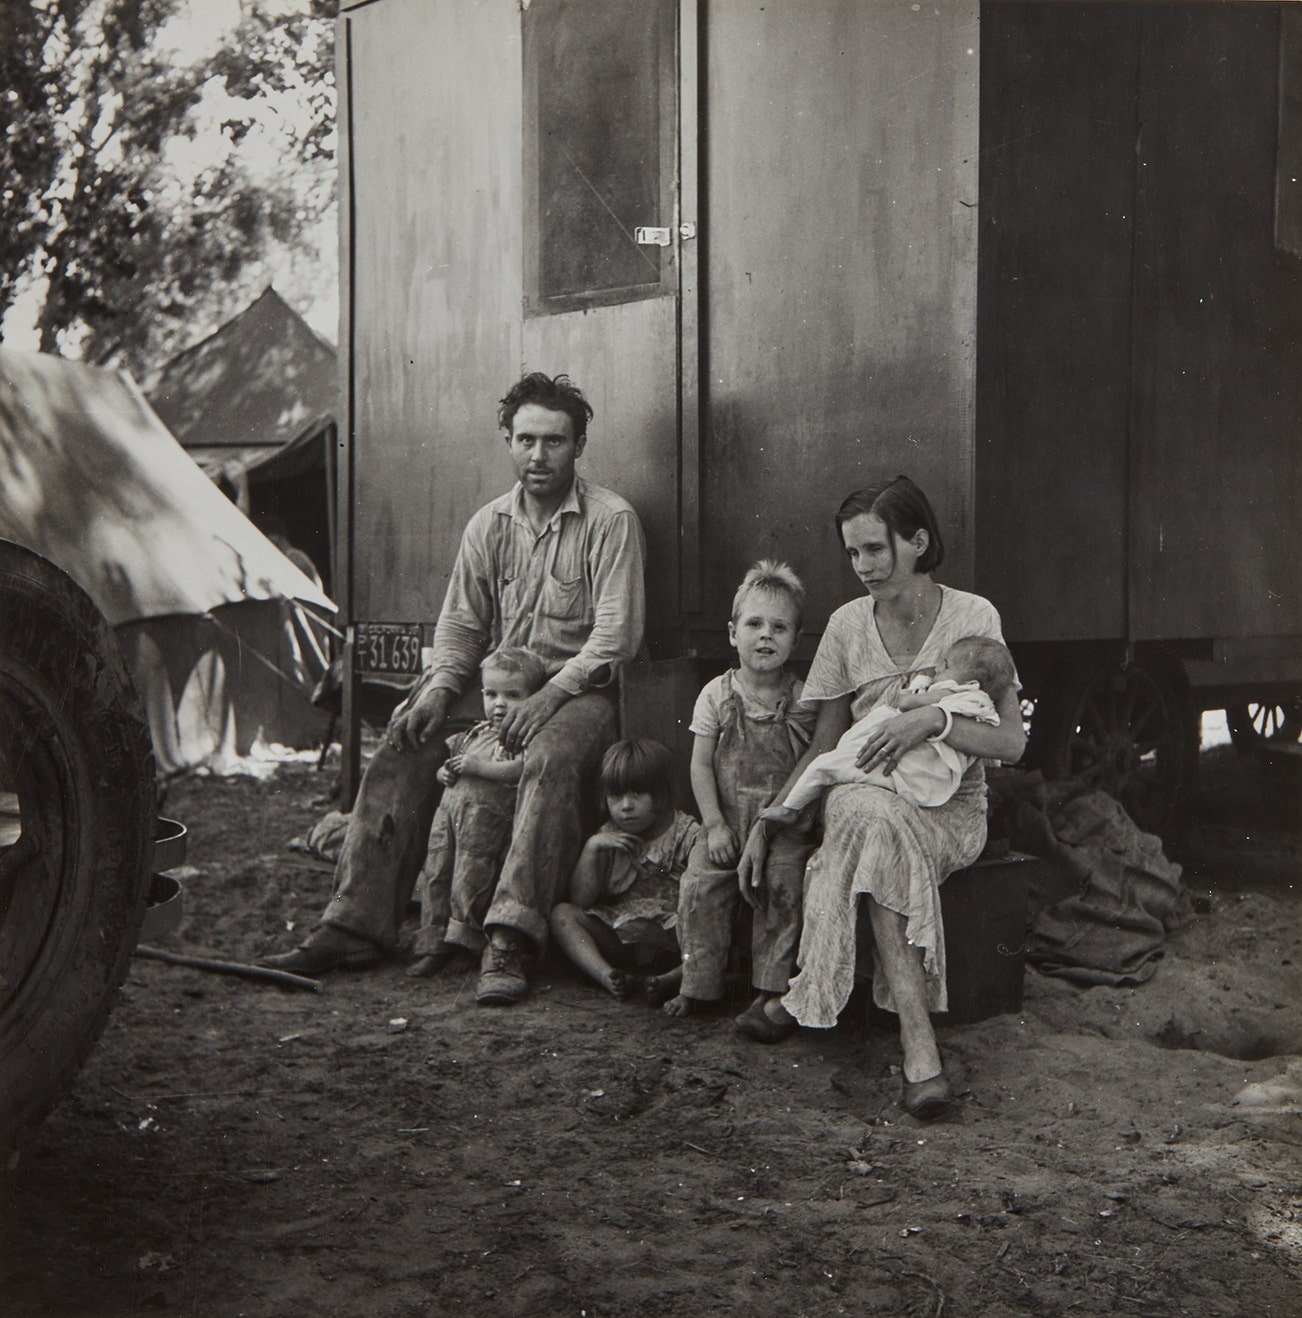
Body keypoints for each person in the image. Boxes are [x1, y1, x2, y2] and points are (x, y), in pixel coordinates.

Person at [262, 373, 647, 1008]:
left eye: (554, 441)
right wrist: (439, 691)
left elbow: (614, 640)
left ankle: (510, 937)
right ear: (507, 440)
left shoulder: (611, 521)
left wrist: (549, 697)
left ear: (579, 446)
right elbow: (462, 627)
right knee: (405, 737)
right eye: (525, 440)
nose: (538, 455)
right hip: (496, 686)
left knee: (547, 760)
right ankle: (353, 924)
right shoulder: (487, 525)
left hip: (578, 691)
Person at [734, 477, 1026, 1120]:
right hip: (861, 788)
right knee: (868, 815)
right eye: (852, 552)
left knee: (873, 826)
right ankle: (920, 1051)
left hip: (947, 806)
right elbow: (826, 745)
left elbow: (1010, 743)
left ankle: (803, 995)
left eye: (874, 548)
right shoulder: (845, 626)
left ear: (917, 542)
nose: (862, 566)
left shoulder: (974, 619)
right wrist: (773, 817)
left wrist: (935, 721)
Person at [661, 561, 817, 1022]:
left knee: (783, 887)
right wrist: (713, 824)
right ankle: (697, 984)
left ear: (795, 640)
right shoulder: (717, 694)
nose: (766, 635)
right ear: (733, 633)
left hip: (780, 826)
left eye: (779, 627)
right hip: (726, 821)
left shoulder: (802, 699)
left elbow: (810, 769)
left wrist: (784, 822)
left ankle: (769, 989)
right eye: (754, 624)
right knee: (700, 886)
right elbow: (700, 764)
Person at [760, 635, 1016, 819]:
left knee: (826, 766)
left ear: (971, 683)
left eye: (946, 666)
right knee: (836, 769)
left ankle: (790, 808)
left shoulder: (952, 692)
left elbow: (906, 702)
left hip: (913, 763)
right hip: (926, 779)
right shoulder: (980, 704)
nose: (939, 668)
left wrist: (921, 683)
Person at [406, 647, 546, 978]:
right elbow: (452, 763)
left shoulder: (520, 738)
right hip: (449, 821)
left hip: (484, 827)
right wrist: (444, 773)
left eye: (513, 695)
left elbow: (521, 770)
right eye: (491, 694)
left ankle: (465, 945)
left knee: (471, 881)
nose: (499, 704)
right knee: (437, 874)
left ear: (533, 697)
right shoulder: (476, 732)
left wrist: (479, 768)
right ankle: (434, 943)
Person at [549, 740, 700, 1001]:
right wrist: (592, 848)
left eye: (637, 794)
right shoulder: (608, 835)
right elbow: (581, 901)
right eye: (616, 796)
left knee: (714, 931)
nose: (626, 806)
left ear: (661, 793)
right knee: (562, 915)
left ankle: (673, 978)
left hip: (674, 937)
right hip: (623, 936)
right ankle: (607, 975)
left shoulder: (686, 833)